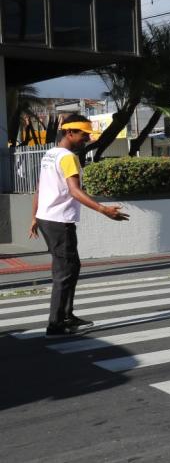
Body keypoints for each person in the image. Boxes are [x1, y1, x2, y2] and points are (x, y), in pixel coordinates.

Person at [29, 115, 129, 337]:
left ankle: (66, 314)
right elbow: (75, 191)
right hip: (59, 220)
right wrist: (103, 210)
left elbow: (40, 187)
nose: (87, 138)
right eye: (84, 134)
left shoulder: (50, 155)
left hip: (48, 218)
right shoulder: (67, 158)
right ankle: (55, 324)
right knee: (64, 271)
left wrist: (35, 216)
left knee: (71, 267)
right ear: (70, 133)